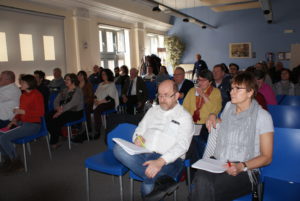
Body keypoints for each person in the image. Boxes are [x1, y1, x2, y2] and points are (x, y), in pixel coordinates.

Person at [189, 71, 274, 201]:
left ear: (250, 92)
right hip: (220, 161)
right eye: (232, 88)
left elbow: (267, 157)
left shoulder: (263, 117)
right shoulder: (229, 107)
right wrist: (213, 117)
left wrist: (241, 166)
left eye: (237, 89)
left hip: (246, 169)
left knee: (203, 188)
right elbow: (225, 125)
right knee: (201, 179)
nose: (232, 92)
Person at [113, 80, 194, 201]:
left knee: (148, 183)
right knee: (118, 149)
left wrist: (160, 161)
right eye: (159, 95)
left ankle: (156, 178)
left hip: (171, 160)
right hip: (144, 153)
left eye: (166, 95)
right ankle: (164, 180)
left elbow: (182, 146)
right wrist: (137, 138)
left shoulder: (185, 117)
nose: (161, 99)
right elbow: (139, 130)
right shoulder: (152, 111)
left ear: (177, 95)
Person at [0, 75, 44, 173]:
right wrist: (14, 120)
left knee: (4, 138)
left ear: (30, 84)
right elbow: (19, 112)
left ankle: (17, 164)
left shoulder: (37, 95)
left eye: (23, 82)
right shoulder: (23, 95)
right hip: (22, 122)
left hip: (33, 125)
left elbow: (40, 113)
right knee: (0, 135)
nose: (20, 84)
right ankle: (7, 160)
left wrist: (23, 112)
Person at [183, 69, 222, 167]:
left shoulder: (216, 92)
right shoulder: (192, 91)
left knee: (197, 142)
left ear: (210, 82)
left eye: (203, 80)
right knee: (186, 139)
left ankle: (199, 166)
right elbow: (185, 108)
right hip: (191, 123)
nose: (200, 82)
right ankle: (191, 167)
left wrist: (203, 95)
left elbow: (215, 109)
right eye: (199, 80)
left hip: (206, 124)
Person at [46, 73, 84, 148]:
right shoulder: (65, 90)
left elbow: (72, 104)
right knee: (48, 116)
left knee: (56, 120)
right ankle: (59, 134)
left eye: (67, 79)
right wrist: (57, 108)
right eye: (65, 79)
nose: (65, 81)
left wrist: (59, 112)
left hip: (75, 112)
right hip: (64, 110)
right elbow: (56, 100)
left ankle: (54, 142)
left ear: (73, 81)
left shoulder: (78, 91)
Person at [93, 69, 119, 139]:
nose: (103, 76)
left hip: (110, 102)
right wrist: (95, 100)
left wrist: (99, 102)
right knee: (89, 106)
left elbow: (109, 97)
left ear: (108, 75)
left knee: (97, 110)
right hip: (100, 101)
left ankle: (97, 131)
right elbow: (95, 94)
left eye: (104, 74)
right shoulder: (100, 84)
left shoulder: (111, 84)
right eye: (102, 74)